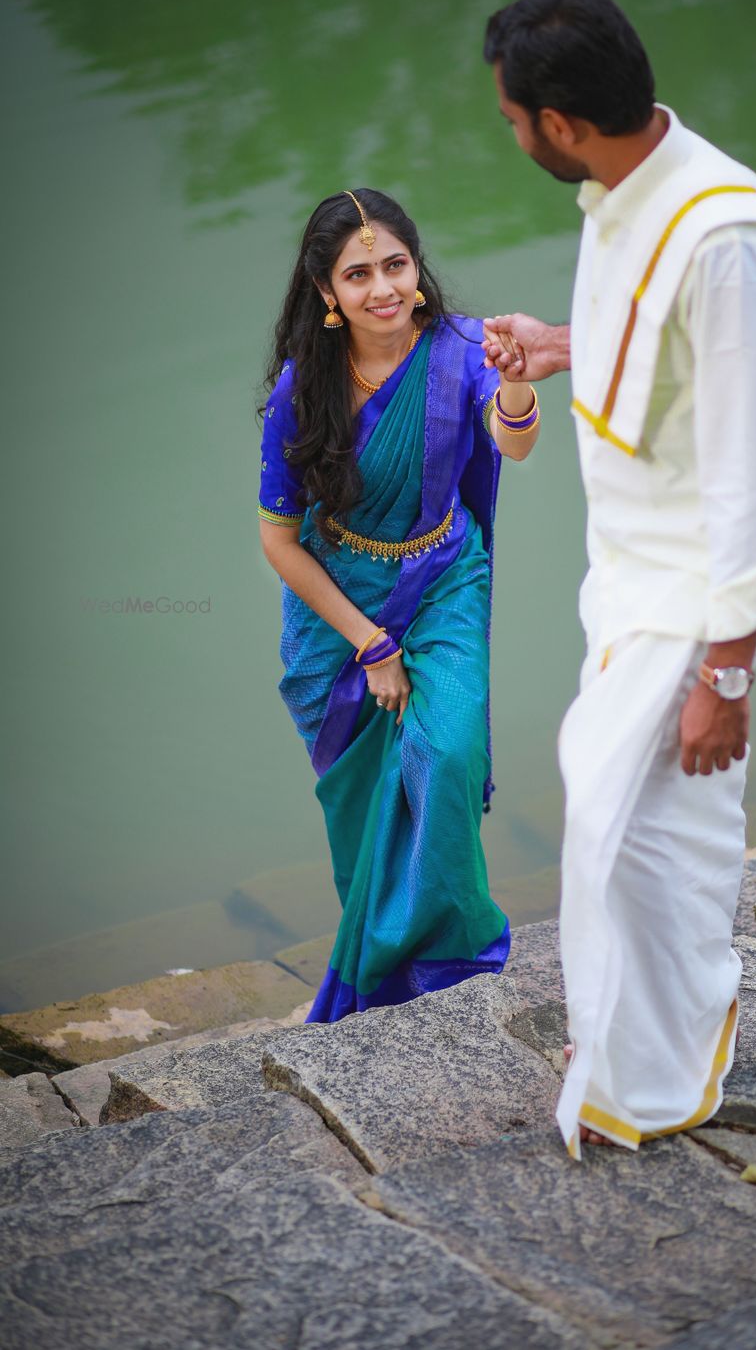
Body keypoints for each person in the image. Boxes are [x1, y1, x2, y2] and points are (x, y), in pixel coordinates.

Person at [481, 0, 756, 1157]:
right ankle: (648, 1034)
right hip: (630, 572)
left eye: (512, 119)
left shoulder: (724, 237)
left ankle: (666, 1047)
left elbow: (754, 465)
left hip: (702, 583)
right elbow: (663, 355)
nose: (512, 137)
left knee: (631, 820)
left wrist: (726, 673)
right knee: (620, 818)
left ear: (562, 122)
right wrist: (560, 349)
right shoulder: (629, 191)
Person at [256, 187, 541, 1021]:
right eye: (357, 273)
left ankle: (453, 956)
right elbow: (279, 542)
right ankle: (383, 964)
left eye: (394, 265)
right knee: (363, 796)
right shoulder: (299, 393)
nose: (381, 286)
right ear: (326, 292)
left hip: (445, 577)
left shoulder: (463, 351)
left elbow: (513, 443)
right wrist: (370, 644)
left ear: (416, 271)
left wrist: (518, 386)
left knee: (445, 755)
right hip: (337, 607)